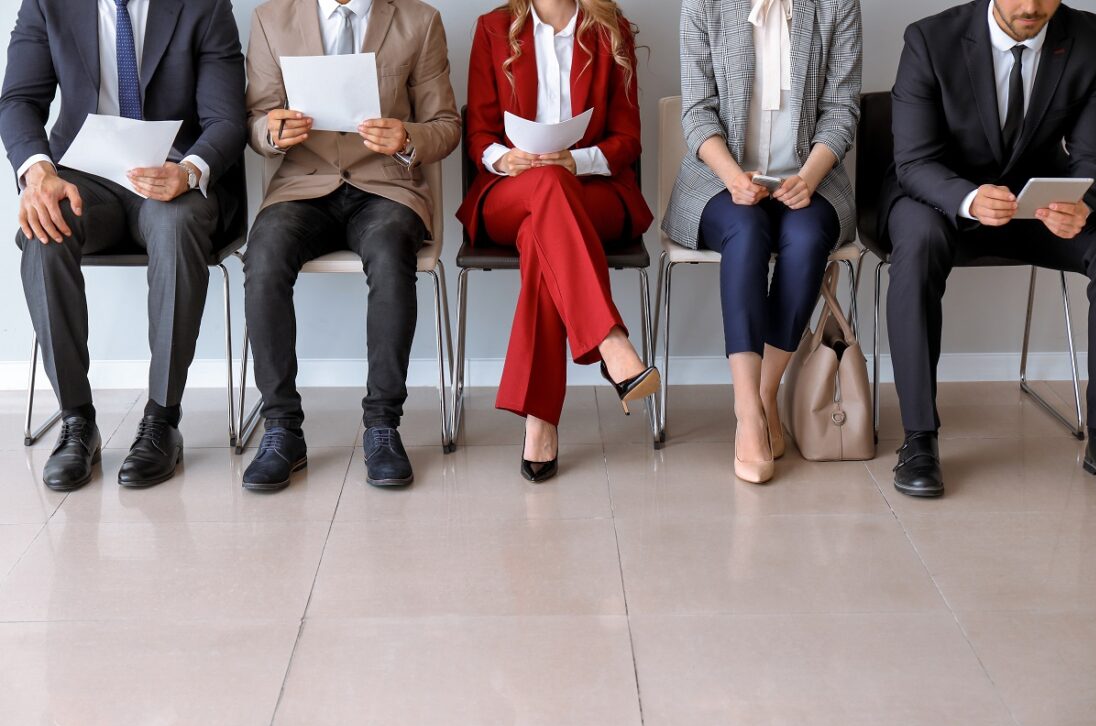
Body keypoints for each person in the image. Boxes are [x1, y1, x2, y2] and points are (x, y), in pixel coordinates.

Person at [0, 0, 247, 491]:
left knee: (176, 227)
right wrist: (38, 172)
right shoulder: (48, 4)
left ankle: (161, 419)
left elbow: (226, 120)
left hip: (173, 176)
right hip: (84, 179)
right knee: (45, 229)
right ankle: (76, 420)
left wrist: (189, 171)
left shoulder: (206, 5)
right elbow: (19, 101)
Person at [883, 0, 1096, 498]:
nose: (1030, 7)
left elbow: (1092, 156)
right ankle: (919, 439)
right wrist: (968, 199)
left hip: (1032, 203)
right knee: (917, 245)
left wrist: (1082, 202)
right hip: (937, 195)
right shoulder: (928, 39)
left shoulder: (1089, 40)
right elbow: (913, 161)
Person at [242, 0, 460, 491]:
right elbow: (255, 120)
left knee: (389, 252)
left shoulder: (419, 21)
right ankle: (281, 428)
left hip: (386, 187)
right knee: (264, 253)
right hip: (303, 184)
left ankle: (382, 426)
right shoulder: (270, 19)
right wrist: (272, 131)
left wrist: (407, 137)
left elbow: (446, 125)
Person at [457, 0, 658, 483]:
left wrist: (576, 161)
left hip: (596, 193)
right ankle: (610, 341)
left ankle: (541, 420)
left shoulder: (612, 29)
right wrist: (505, 160)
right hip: (511, 191)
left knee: (545, 233)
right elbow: (479, 131)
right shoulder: (493, 28)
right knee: (546, 195)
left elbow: (628, 139)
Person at [664, 0, 862, 483]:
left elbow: (841, 109)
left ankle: (764, 395)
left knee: (808, 234)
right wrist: (733, 177)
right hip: (718, 180)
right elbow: (696, 111)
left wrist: (810, 178)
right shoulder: (703, 5)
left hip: (811, 178)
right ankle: (748, 414)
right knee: (747, 232)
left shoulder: (837, 6)